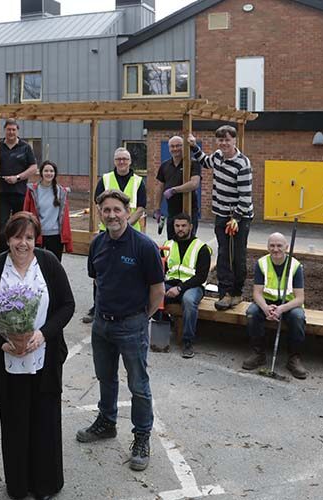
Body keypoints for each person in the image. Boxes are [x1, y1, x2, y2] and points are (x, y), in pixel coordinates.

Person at [0, 212, 75, 500]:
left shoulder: (49, 263)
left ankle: (45, 484)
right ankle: (18, 485)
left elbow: (67, 305)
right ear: (8, 238)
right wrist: (1, 342)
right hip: (9, 360)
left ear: (36, 239)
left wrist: (43, 333)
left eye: (29, 237)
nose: (23, 243)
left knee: (45, 422)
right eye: (18, 237)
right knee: (15, 422)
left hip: (44, 358)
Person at [78, 189, 164, 472]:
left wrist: (141, 319)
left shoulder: (144, 246)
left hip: (132, 325)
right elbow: (97, 279)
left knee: (138, 386)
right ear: (100, 214)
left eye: (117, 209)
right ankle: (107, 423)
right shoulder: (97, 244)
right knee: (105, 378)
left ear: (128, 213)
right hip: (102, 324)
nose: (112, 215)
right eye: (106, 210)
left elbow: (157, 290)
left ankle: (141, 438)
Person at [189, 126, 253, 311]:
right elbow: (205, 162)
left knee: (237, 257)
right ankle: (225, 293)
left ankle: (237, 292)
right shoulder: (217, 156)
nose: (224, 143)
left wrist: (236, 218)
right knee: (224, 254)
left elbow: (246, 197)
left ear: (234, 141)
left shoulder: (242, 164)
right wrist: (194, 147)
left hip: (239, 216)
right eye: (221, 140)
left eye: (227, 140)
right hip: (221, 214)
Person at [82, 147, 147, 323]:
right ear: (114, 161)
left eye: (125, 159)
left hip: (131, 234)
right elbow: (98, 204)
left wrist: (125, 224)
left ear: (130, 161)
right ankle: (97, 307)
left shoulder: (139, 181)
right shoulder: (105, 179)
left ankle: (128, 307)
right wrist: (109, 224)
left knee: (128, 272)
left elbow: (141, 207)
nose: (122, 162)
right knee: (102, 270)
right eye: (118, 159)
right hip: (107, 232)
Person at [243, 232, 308, 379]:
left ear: (286, 247)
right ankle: (258, 353)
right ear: (267, 247)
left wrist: (281, 309)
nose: (276, 249)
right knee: (252, 312)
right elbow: (257, 293)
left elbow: (300, 298)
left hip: (289, 305)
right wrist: (266, 308)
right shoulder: (262, 263)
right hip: (267, 302)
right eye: (272, 245)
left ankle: (294, 358)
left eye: (279, 246)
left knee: (298, 317)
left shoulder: (295, 266)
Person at [160, 213, 211, 359]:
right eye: (177, 226)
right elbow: (160, 270)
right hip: (171, 284)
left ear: (191, 226)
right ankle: (163, 325)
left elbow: (201, 276)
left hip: (193, 287)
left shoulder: (201, 248)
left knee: (188, 301)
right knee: (152, 294)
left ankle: (187, 342)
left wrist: (180, 288)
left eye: (183, 226)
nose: (180, 229)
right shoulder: (168, 245)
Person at [0, 118, 38, 252]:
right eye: (8, 129)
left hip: (19, 192)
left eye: (13, 129)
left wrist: (18, 177)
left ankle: (19, 250)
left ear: (17, 131)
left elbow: (33, 167)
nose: (11, 132)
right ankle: (3, 253)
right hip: (2, 193)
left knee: (20, 224)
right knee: (2, 225)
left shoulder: (25, 147)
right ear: (5, 130)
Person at [22, 160, 73, 261]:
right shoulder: (33, 190)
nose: (49, 173)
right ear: (41, 173)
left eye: (51, 171)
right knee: (36, 266)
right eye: (46, 171)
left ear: (55, 174)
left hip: (55, 236)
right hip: (37, 235)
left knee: (54, 267)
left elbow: (65, 217)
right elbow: (26, 212)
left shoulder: (61, 192)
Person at [156, 136, 201, 240]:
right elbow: (159, 187)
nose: (175, 149)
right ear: (169, 148)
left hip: (189, 212)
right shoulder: (165, 165)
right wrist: (157, 209)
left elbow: (194, 184)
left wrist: (174, 190)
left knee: (188, 242)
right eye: (172, 146)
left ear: (184, 147)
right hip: (172, 212)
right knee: (172, 242)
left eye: (178, 146)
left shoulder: (192, 163)